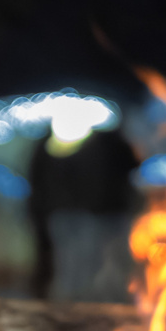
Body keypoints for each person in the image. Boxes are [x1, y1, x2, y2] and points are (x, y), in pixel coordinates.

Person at [28, 126, 140, 301]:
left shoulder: (54, 143)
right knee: (85, 263)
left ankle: (75, 306)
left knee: (78, 263)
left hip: (74, 211)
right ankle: (77, 305)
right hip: (89, 212)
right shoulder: (108, 142)